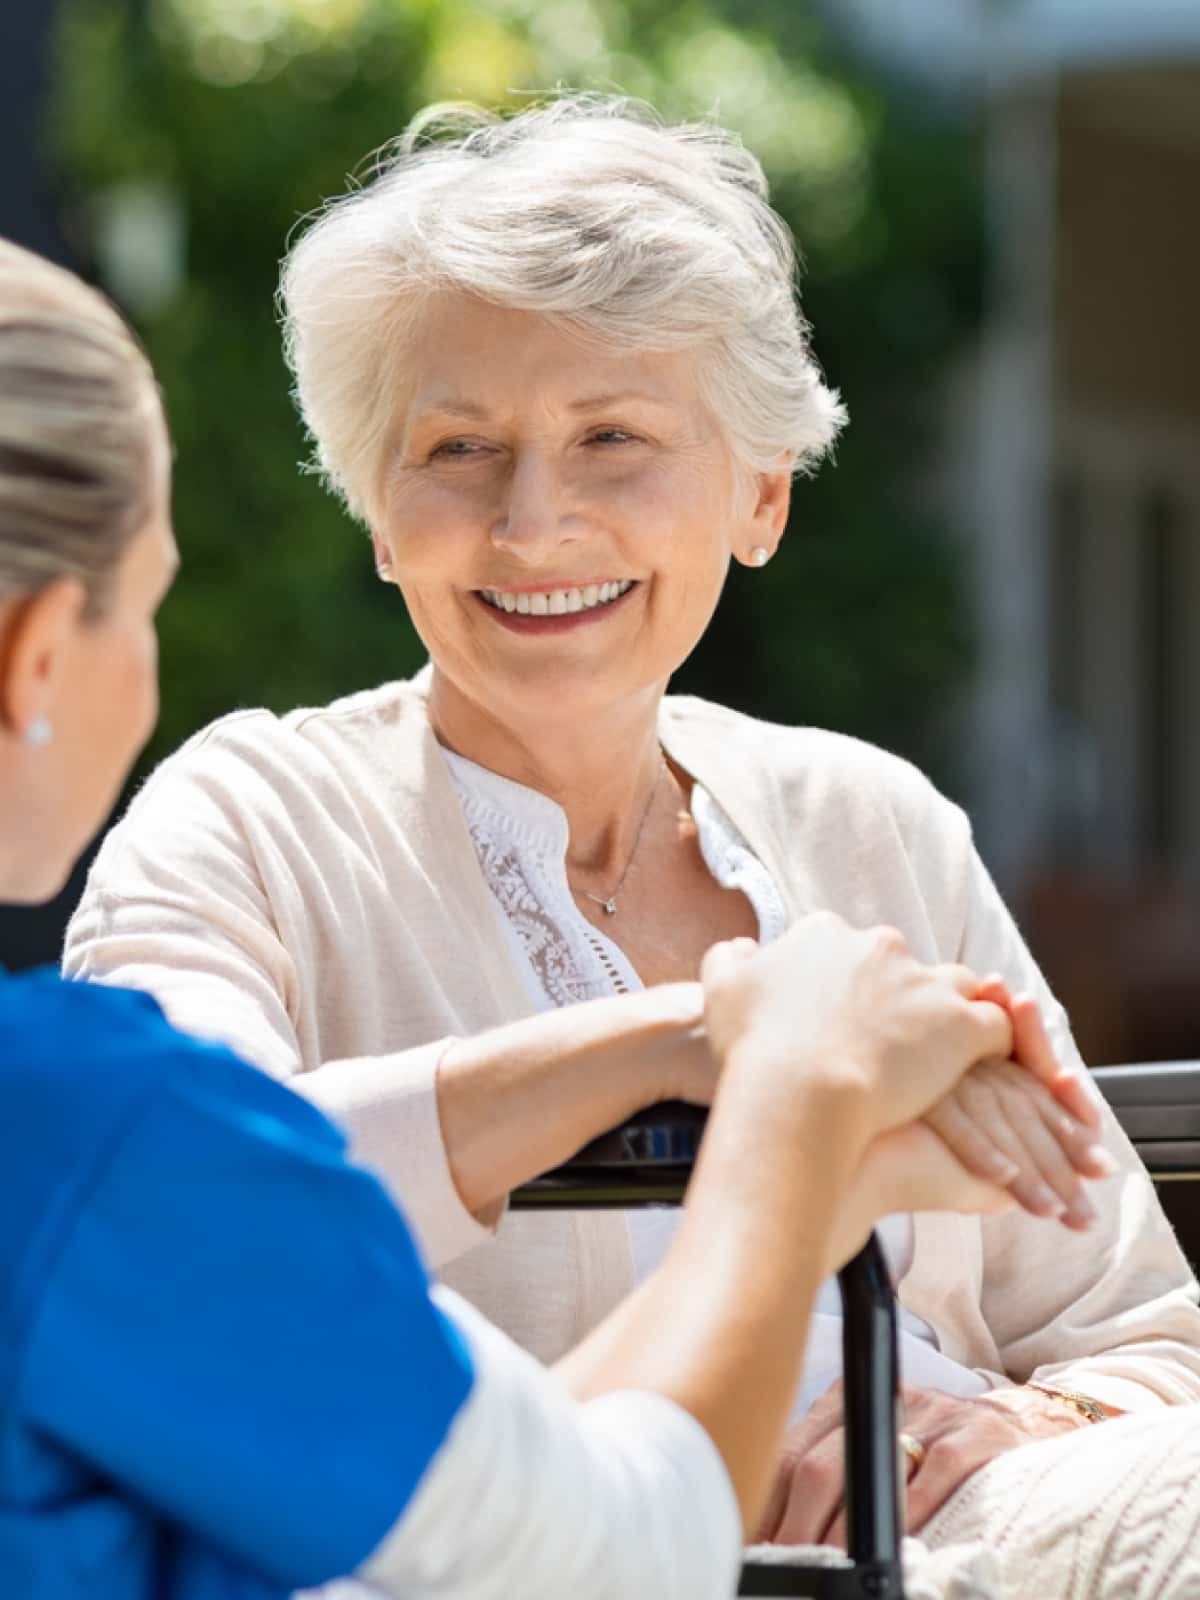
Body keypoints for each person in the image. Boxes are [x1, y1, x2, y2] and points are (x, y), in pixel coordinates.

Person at [62, 95, 1200, 1548]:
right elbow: (176, 1209)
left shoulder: (873, 822)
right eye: (458, 449)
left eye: (611, 436)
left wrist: (1027, 1426)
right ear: (378, 512)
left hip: (996, 1532)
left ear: (761, 497)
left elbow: (1142, 1332)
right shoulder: (249, 820)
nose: (533, 523)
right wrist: (711, 1039)